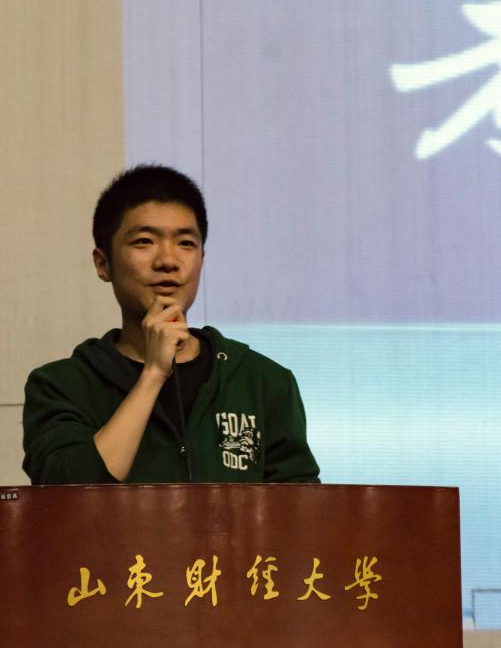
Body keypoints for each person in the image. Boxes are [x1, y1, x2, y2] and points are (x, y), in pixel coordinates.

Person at [22, 164, 320, 484]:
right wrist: (153, 374)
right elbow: (67, 494)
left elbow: (299, 506)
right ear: (103, 263)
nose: (168, 261)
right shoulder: (62, 385)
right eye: (144, 241)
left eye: (185, 243)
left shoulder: (262, 381)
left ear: (202, 259)